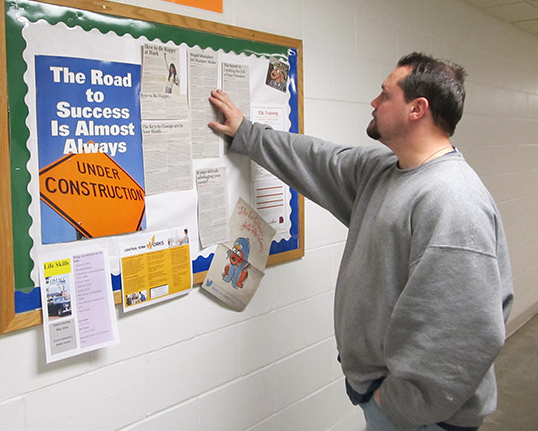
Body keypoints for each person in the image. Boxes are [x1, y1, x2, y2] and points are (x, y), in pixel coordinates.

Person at [208, 53, 513, 431]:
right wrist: (248, 134)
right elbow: (318, 159)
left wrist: (399, 402)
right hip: (390, 400)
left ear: (417, 109)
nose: (374, 102)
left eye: (385, 95)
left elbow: (465, 332)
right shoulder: (384, 171)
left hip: (426, 417)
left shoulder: (452, 200)